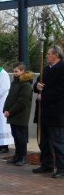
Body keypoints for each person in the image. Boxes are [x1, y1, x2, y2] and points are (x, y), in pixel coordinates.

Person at [32, 45, 64, 178]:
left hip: (56, 112)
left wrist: (43, 96)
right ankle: (47, 164)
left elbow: (61, 91)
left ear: (56, 55)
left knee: (58, 142)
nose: (46, 56)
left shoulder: (62, 69)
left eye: (49, 54)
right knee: (44, 141)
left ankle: (62, 168)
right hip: (43, 112)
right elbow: (37, 85)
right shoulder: (46, 69)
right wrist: (36, 86)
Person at [3, 62, 34, 166]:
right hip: (13, 114)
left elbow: (22, 102)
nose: (14, 73)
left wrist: (10, 111)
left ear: (22, 71)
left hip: (21, 115)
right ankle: (17, 156)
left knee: (21, 137)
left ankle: (23, 157)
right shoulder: (15, 82)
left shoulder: (26, 85)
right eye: (14, 71)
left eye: (16, 71)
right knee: (15, 136)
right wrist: (5, 109)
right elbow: (9, 97)